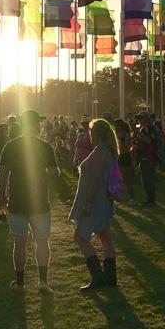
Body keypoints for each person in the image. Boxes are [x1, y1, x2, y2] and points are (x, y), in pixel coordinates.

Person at [0, 110, 59, 293]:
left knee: (19, 242)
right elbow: (54, 172)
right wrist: (45, 174)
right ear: (35, 125)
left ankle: (20, 283)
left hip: (17, 200)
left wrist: (2, 198)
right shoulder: (45, 146)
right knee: (42, 241)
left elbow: (2, 174)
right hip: (39, 201)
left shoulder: (10, 146)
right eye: (38, 123)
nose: (40, 126)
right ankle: (43, 282)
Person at [69, 118, 119, 291]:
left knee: (80, 237)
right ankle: (110, 277)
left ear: (96, 133)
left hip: (95, 200)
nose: (89, 135)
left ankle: (98, 275)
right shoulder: (107, 151)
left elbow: (96, 177)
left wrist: (88, 202)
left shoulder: (100, 151)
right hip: (103, 199)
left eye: (91, 131)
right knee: (105, 237)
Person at [134, 112, 159, 207]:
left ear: (146, 119)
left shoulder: (150, 129)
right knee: (144, 180)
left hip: (150, 158)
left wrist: (139, 134)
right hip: (143, 157)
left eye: (141, 118)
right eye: (139, 119)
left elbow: (149, 141)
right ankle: (149, 199)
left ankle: (151, 201)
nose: (139, 120)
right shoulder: (143, 129)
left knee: (149, 180)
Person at [114, 118, 136, 205]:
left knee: (127, 180)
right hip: (119, 157)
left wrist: (118, 139)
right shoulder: (117, 134)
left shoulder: (126, 135)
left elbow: (125, 147)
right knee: (118, 179)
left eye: (117, 126)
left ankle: (132, 198)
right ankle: (119, 196)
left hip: (125, 157)